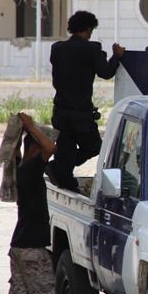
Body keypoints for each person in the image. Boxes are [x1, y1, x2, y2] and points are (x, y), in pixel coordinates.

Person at [9, 112, 67, 294]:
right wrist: (31, 126)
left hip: (18, 248)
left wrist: (23, 131)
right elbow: (50, 148)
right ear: (34, 149)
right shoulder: (31, 170)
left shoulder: (19, 169)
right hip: (32, 250)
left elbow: (19, 151)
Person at [48, 11, 124, 192]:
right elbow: (106, 72)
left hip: (60, 111)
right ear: (88, 30)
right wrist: (117, 56)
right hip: (81, 114)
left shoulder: (57, 48)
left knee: (65, 150)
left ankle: (61, 172)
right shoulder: (91, 49)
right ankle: (59, 168)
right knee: (94, 146)